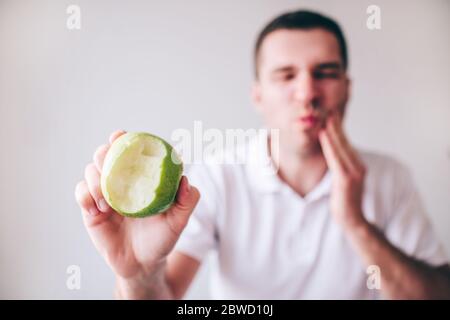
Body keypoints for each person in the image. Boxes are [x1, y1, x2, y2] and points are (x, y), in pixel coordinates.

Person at [75, 10, 450, 299]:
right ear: (258, 96)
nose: (307, 93)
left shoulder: (390, 178)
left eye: (325, 72)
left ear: (346, 89)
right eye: (286, 76)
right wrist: (138, 273)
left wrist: (355, 222)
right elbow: (166, 295)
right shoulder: (217, 180)